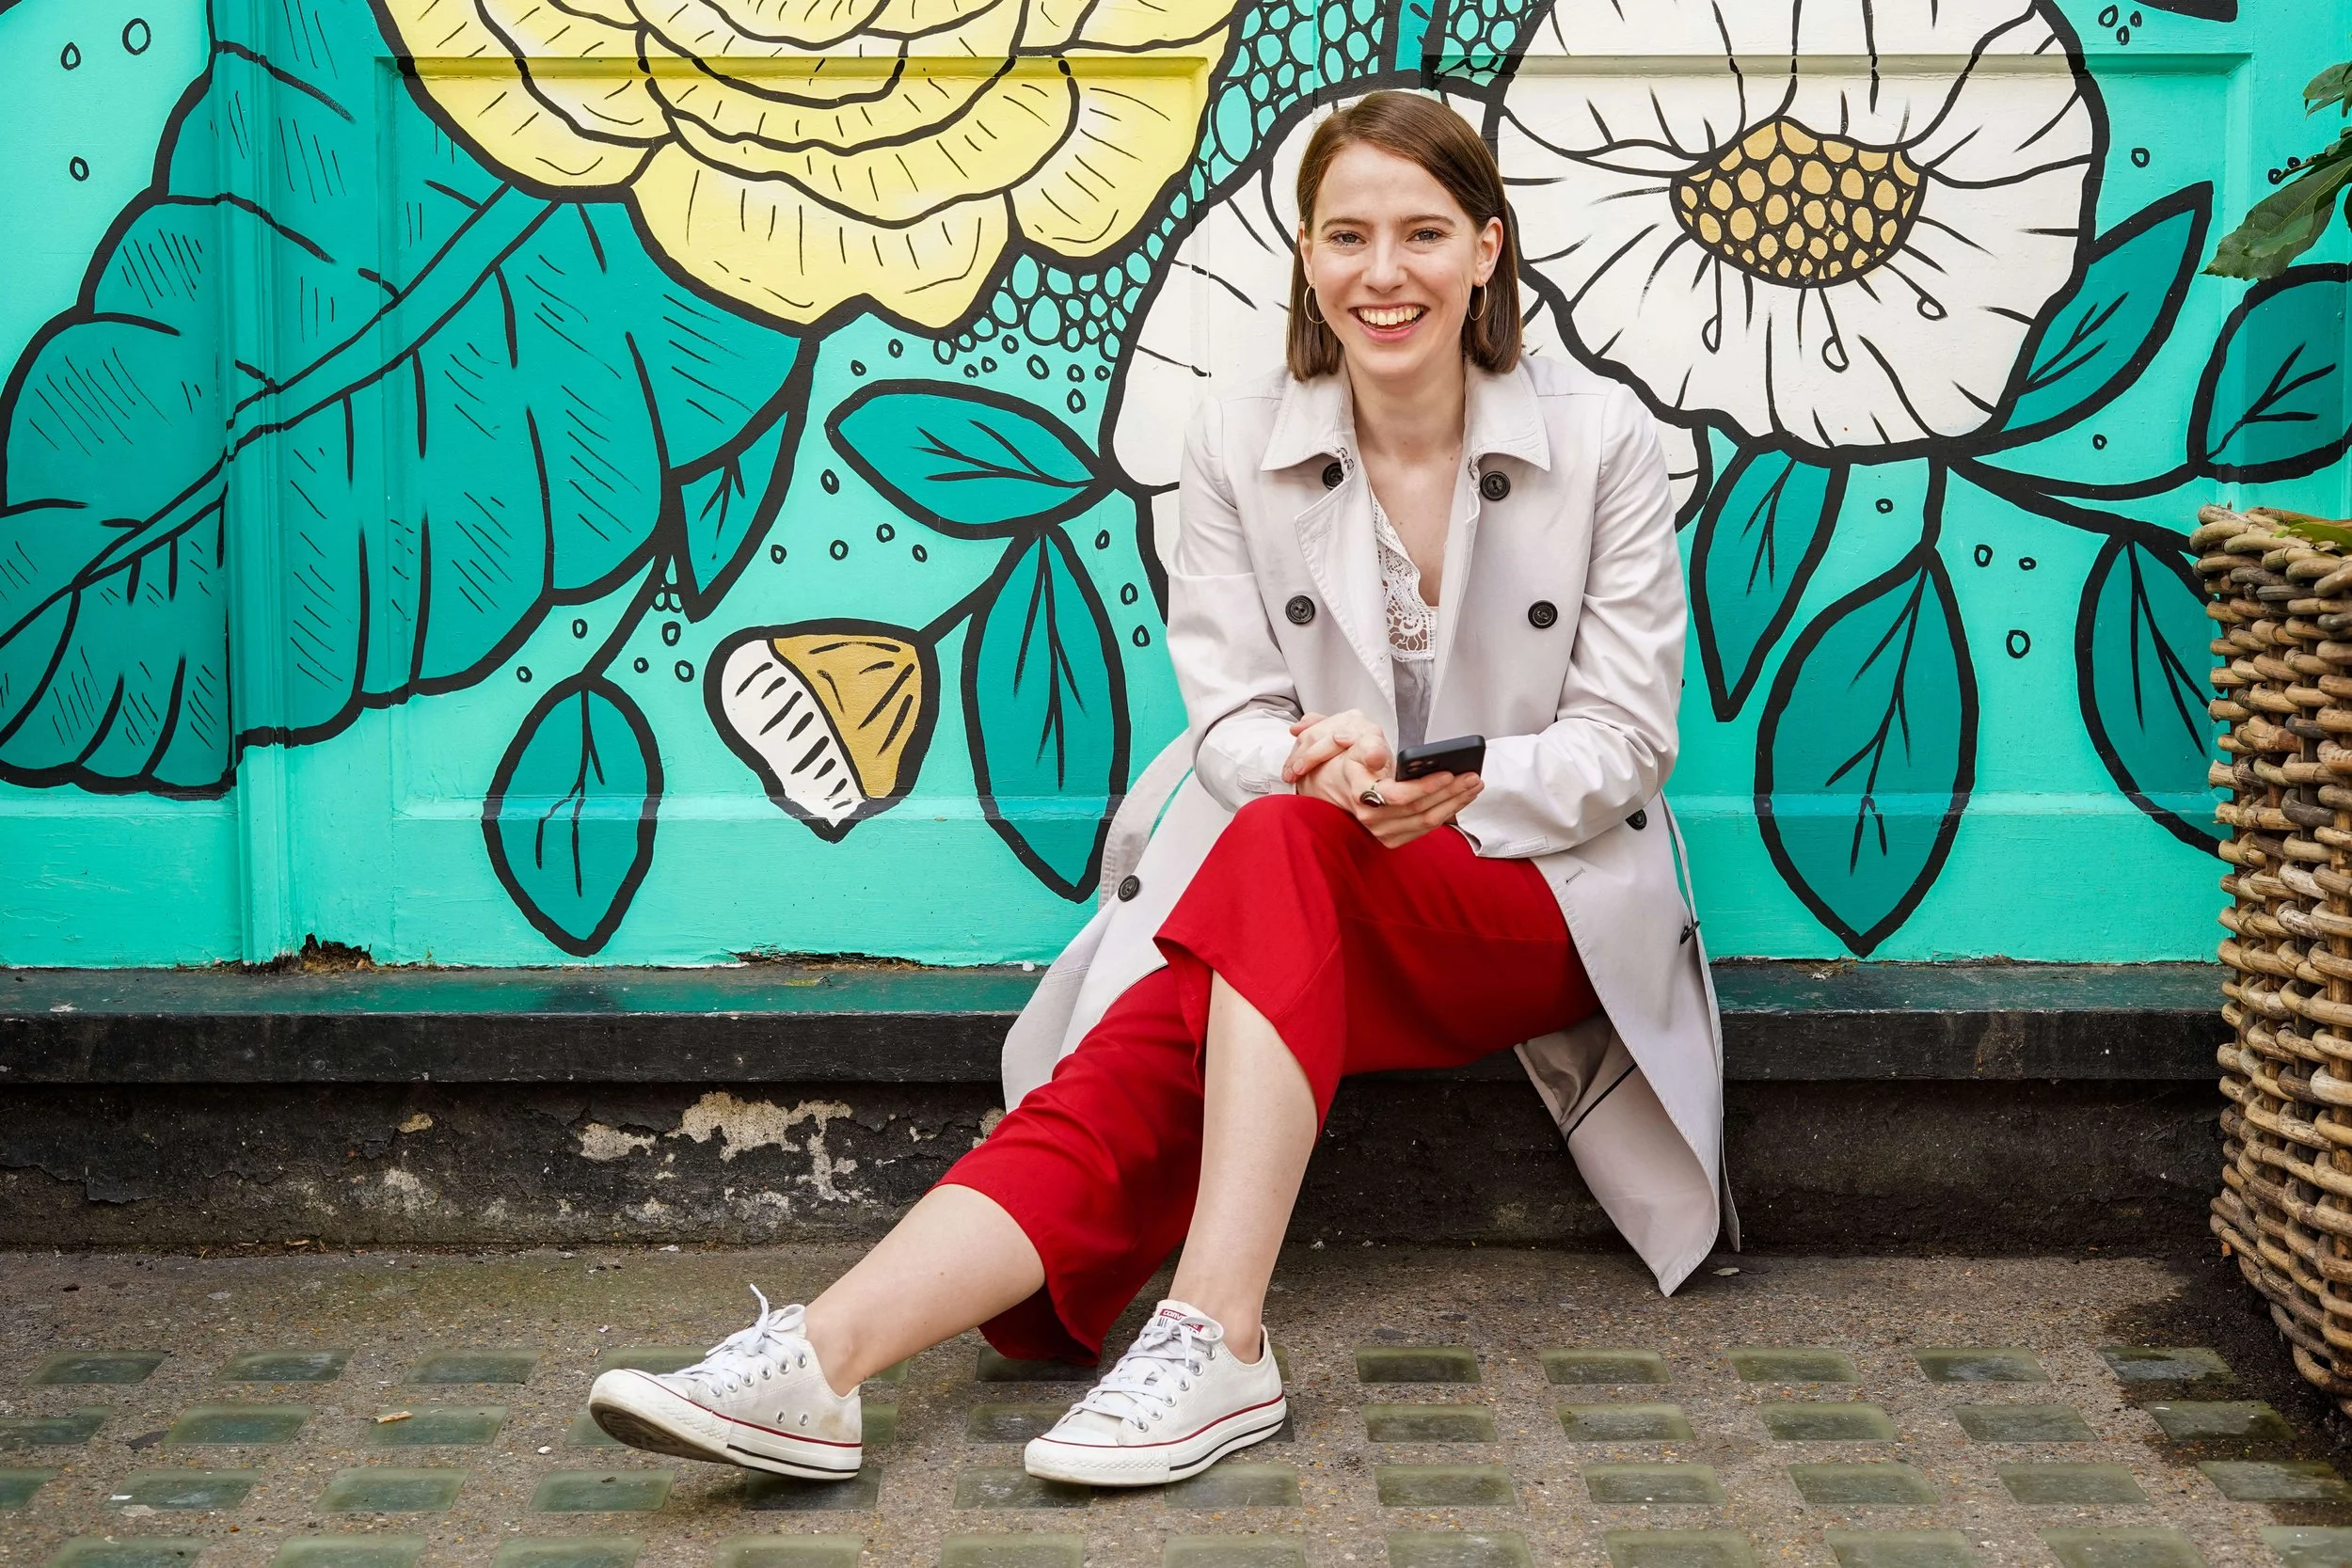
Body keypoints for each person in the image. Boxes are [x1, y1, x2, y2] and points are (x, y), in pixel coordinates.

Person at [586, 89, 1733, 1492]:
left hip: (1537, 889)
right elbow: (1235, 714)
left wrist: (1445, 777)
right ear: (1306, 256)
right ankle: (823, 1364)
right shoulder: (1234, 437)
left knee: (1272, 861)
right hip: (1312, 869)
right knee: (1170, 1012)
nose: (1387, 273)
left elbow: (1627, 741)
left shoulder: (1604, 439)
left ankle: (1219, 1332)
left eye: (1425, 233)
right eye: (1350, 235)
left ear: (1488, 250)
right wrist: (1317, 762)